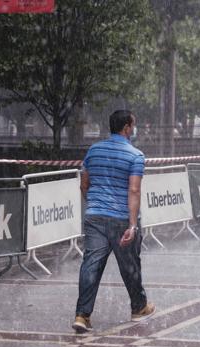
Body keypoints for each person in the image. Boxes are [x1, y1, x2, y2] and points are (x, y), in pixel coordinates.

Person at [72, 110, 155, 334]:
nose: (133, 129)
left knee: (91, 264)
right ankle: (138, 307)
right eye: (133, 126)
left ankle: (82, 314)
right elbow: (134, 190)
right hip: (120, 219)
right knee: (129, 265)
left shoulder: (94, 150)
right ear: (127, 128)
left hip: (95, 217)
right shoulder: (135, 155)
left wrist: (94, 205)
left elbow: (84, 184)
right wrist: (132, 225)